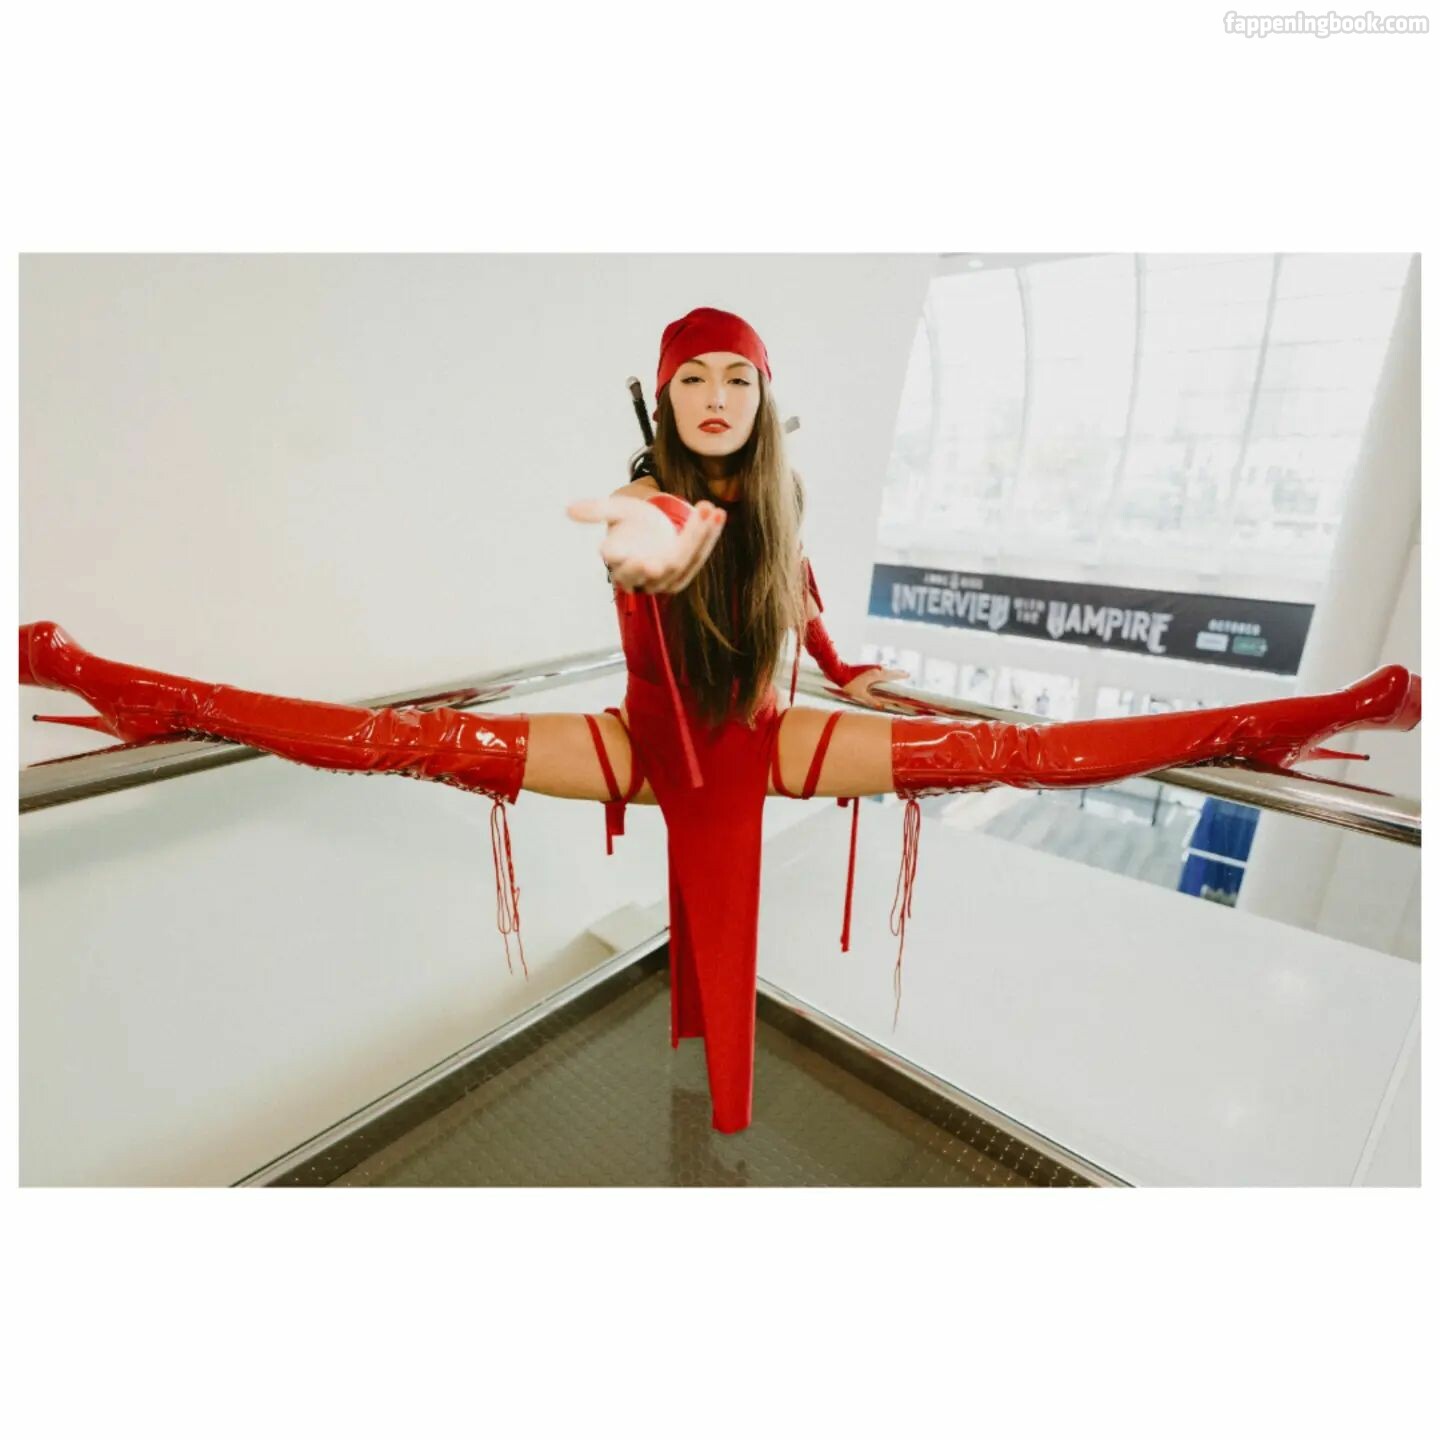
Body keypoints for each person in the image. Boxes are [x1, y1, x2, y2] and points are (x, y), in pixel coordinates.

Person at [18, 306, 1423, 1136]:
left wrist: (848, 670)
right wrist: (652, 561)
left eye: (734, 377)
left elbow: (797, 603)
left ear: (761, 398)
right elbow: (651, 552)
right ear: (664, 398)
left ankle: (1301, 713)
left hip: (770, 734)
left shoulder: (781, 503)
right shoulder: (651, 504)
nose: (712, 396)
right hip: (648, 744)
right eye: (691, 376)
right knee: (413, 741)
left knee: (1019, 751)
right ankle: (135, 688)